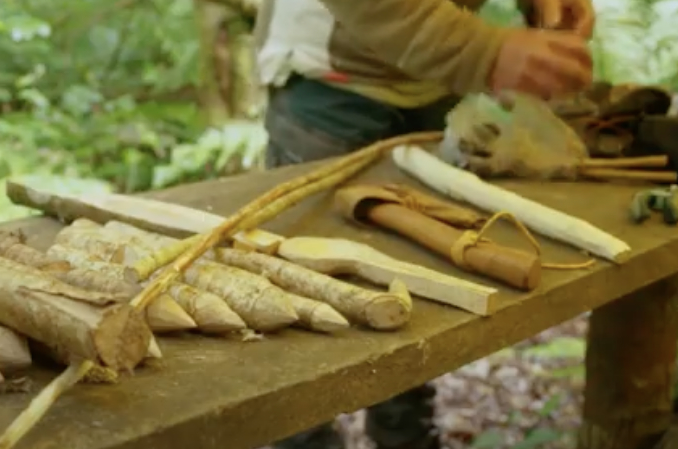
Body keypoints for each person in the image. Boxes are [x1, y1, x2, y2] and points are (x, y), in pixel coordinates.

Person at [254, 0, 595, 448]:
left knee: (411, 283)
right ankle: (303, 439)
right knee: (304, 287)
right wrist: (484, 52)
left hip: (429, 81)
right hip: (331, 86)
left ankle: (405, 434)